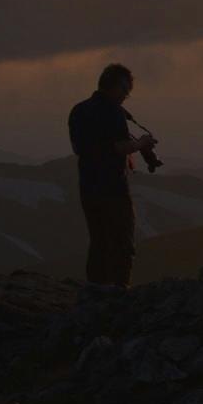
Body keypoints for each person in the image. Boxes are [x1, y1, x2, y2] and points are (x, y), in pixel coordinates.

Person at [68, 63, 154, 288]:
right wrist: (142, 144)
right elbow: (119, 147)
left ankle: (95, 292)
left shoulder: (78, 110)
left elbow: (81, 148)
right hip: (113, 187)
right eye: (125, 89)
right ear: (115, 85)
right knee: (122, 243)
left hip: (88, 186)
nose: (127, 95)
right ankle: (119, 295)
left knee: (98, 242)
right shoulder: (113, 111)